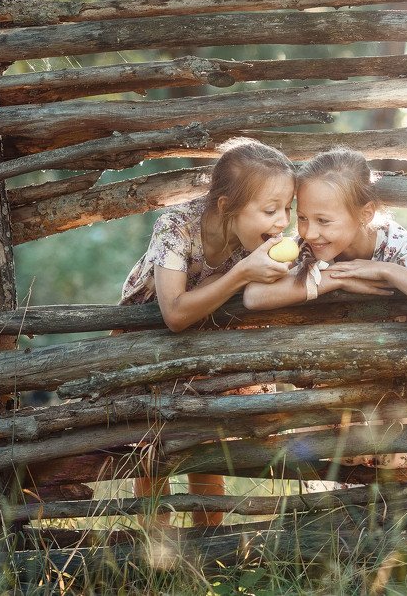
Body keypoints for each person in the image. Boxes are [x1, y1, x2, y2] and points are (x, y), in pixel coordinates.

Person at [243, 147, 407, 490]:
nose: (309, 231)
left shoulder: (396, 245)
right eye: (302, 217)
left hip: (400, 398)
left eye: (323, 220)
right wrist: (333, 278)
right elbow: (254, 296)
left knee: (400, 500)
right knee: (334, 506)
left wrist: (386, 270)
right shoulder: (306, 250)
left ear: (365, 214)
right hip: (336, 398)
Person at [120, 136, 296, 525]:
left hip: (208, 346)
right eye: (270, 209)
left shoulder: (252, 246)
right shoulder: (176, 226)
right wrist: (241, 274)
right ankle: (156, 547)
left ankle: (210, 541)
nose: (283, 221)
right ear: (225, 206)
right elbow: (175, 314)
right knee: (155, 447)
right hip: (148, 345)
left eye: (287, 208)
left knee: (208, 438)